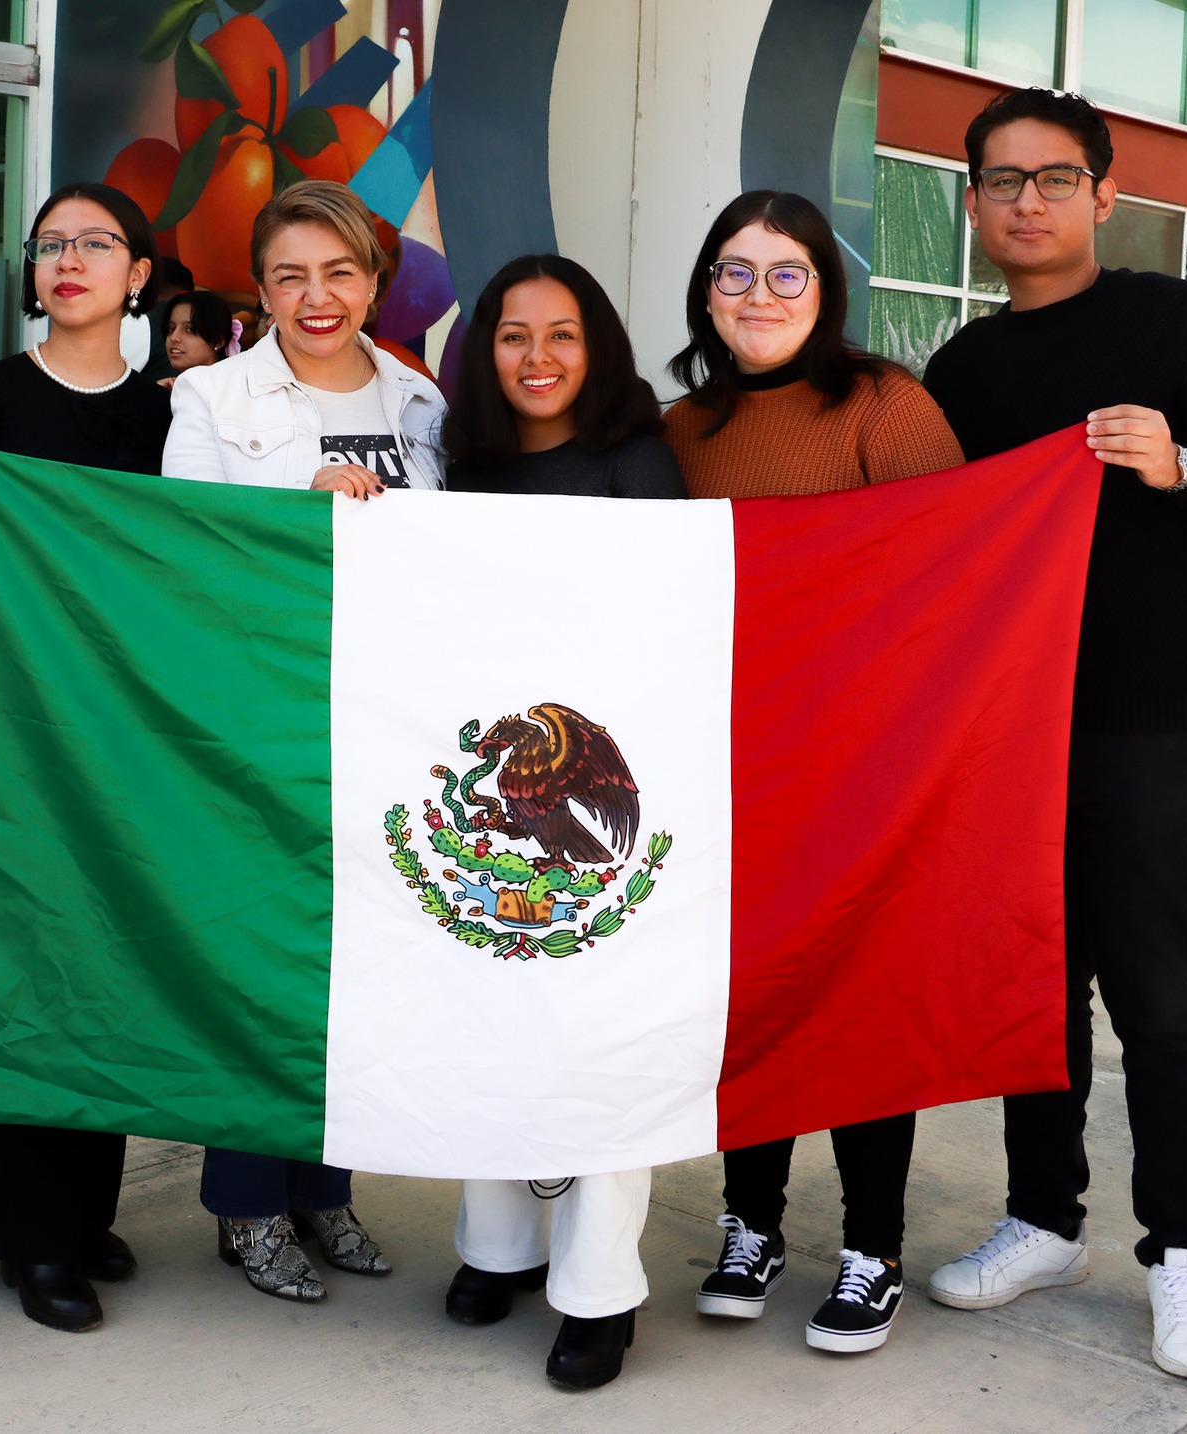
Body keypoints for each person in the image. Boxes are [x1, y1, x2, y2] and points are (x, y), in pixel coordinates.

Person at [917, 88, 1187, 1383]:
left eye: (1054, 178)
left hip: (1147, 716)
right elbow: (921, 547)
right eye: (1003, 182)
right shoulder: (962, 369)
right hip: (1007, 726)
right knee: (1034, 984)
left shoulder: (1176, 322)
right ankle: (1043, 1216)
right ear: (972, 205)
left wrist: (1179, 461)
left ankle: (1183, 1251)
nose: (1028, 201)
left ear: (1105, 195)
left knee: (1162, 997)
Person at [666, 190, 963, 1356]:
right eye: (732, 272)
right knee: (749, 1001)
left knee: (859, 1002)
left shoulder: (885, 408)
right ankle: (750, 1226)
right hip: (725, 762)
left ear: (823, 292)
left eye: (784, 273)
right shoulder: (676, 429)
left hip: (863, 763)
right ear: (704, 291)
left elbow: (950, 572)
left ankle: (872, 1250)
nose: (756, 294)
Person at [163, 179, 443, 1298]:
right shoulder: (211, 397)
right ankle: (244, 1207)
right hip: (259, 723)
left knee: (356, 972)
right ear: (261, 287)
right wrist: (299, 505)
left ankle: (323, 1192)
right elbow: (188, 555)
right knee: (257, 969)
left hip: (380, 726)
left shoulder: (421, 400)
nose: (314, 296)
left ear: (373, 280)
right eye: (288, 274)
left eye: (337, 271)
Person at [439, 252, 685, 1390]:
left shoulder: (636, 460)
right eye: (511, 336)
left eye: (563, 335)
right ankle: (497, 1247)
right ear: (483, 351)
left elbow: (672, 622)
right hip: (490, 780)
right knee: (482, 1003)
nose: (536, 359)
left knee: (602, 1040)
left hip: (611, 783)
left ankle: (596, 1290)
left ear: (599, 350)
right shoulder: (461, 461)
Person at [0, 182, 173, 1334]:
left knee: (110, 968)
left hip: (126, 740)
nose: (68, 260)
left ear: (139, 273)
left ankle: (83, 1211)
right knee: (26, 972)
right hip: (15, 722)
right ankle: (27, 1237)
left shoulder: (168, 415)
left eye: (96, 244)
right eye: (50, 245)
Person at [158, 288, 235, 387]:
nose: (174, 337)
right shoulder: (172, 387)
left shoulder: (229, 392)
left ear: (218, 341)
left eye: (189, 330)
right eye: (171, 329)